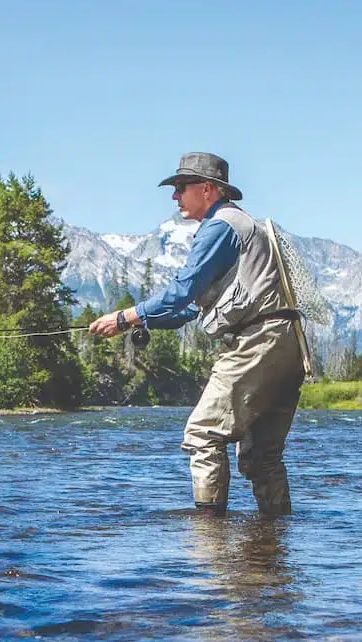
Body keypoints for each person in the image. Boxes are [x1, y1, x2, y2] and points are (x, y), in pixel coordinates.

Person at [89, 152, 307, 515]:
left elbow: (183, 289)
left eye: (180, 188)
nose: (175, 196)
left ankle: (209, 534)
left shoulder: (221, 225)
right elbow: (191, 308)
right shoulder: (240, 226)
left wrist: (126, 317)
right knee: (261, 455)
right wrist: (145, 321)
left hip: (258, 343)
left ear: (207, 189)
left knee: (203, 432)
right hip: (287, 345)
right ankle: (273, 547)